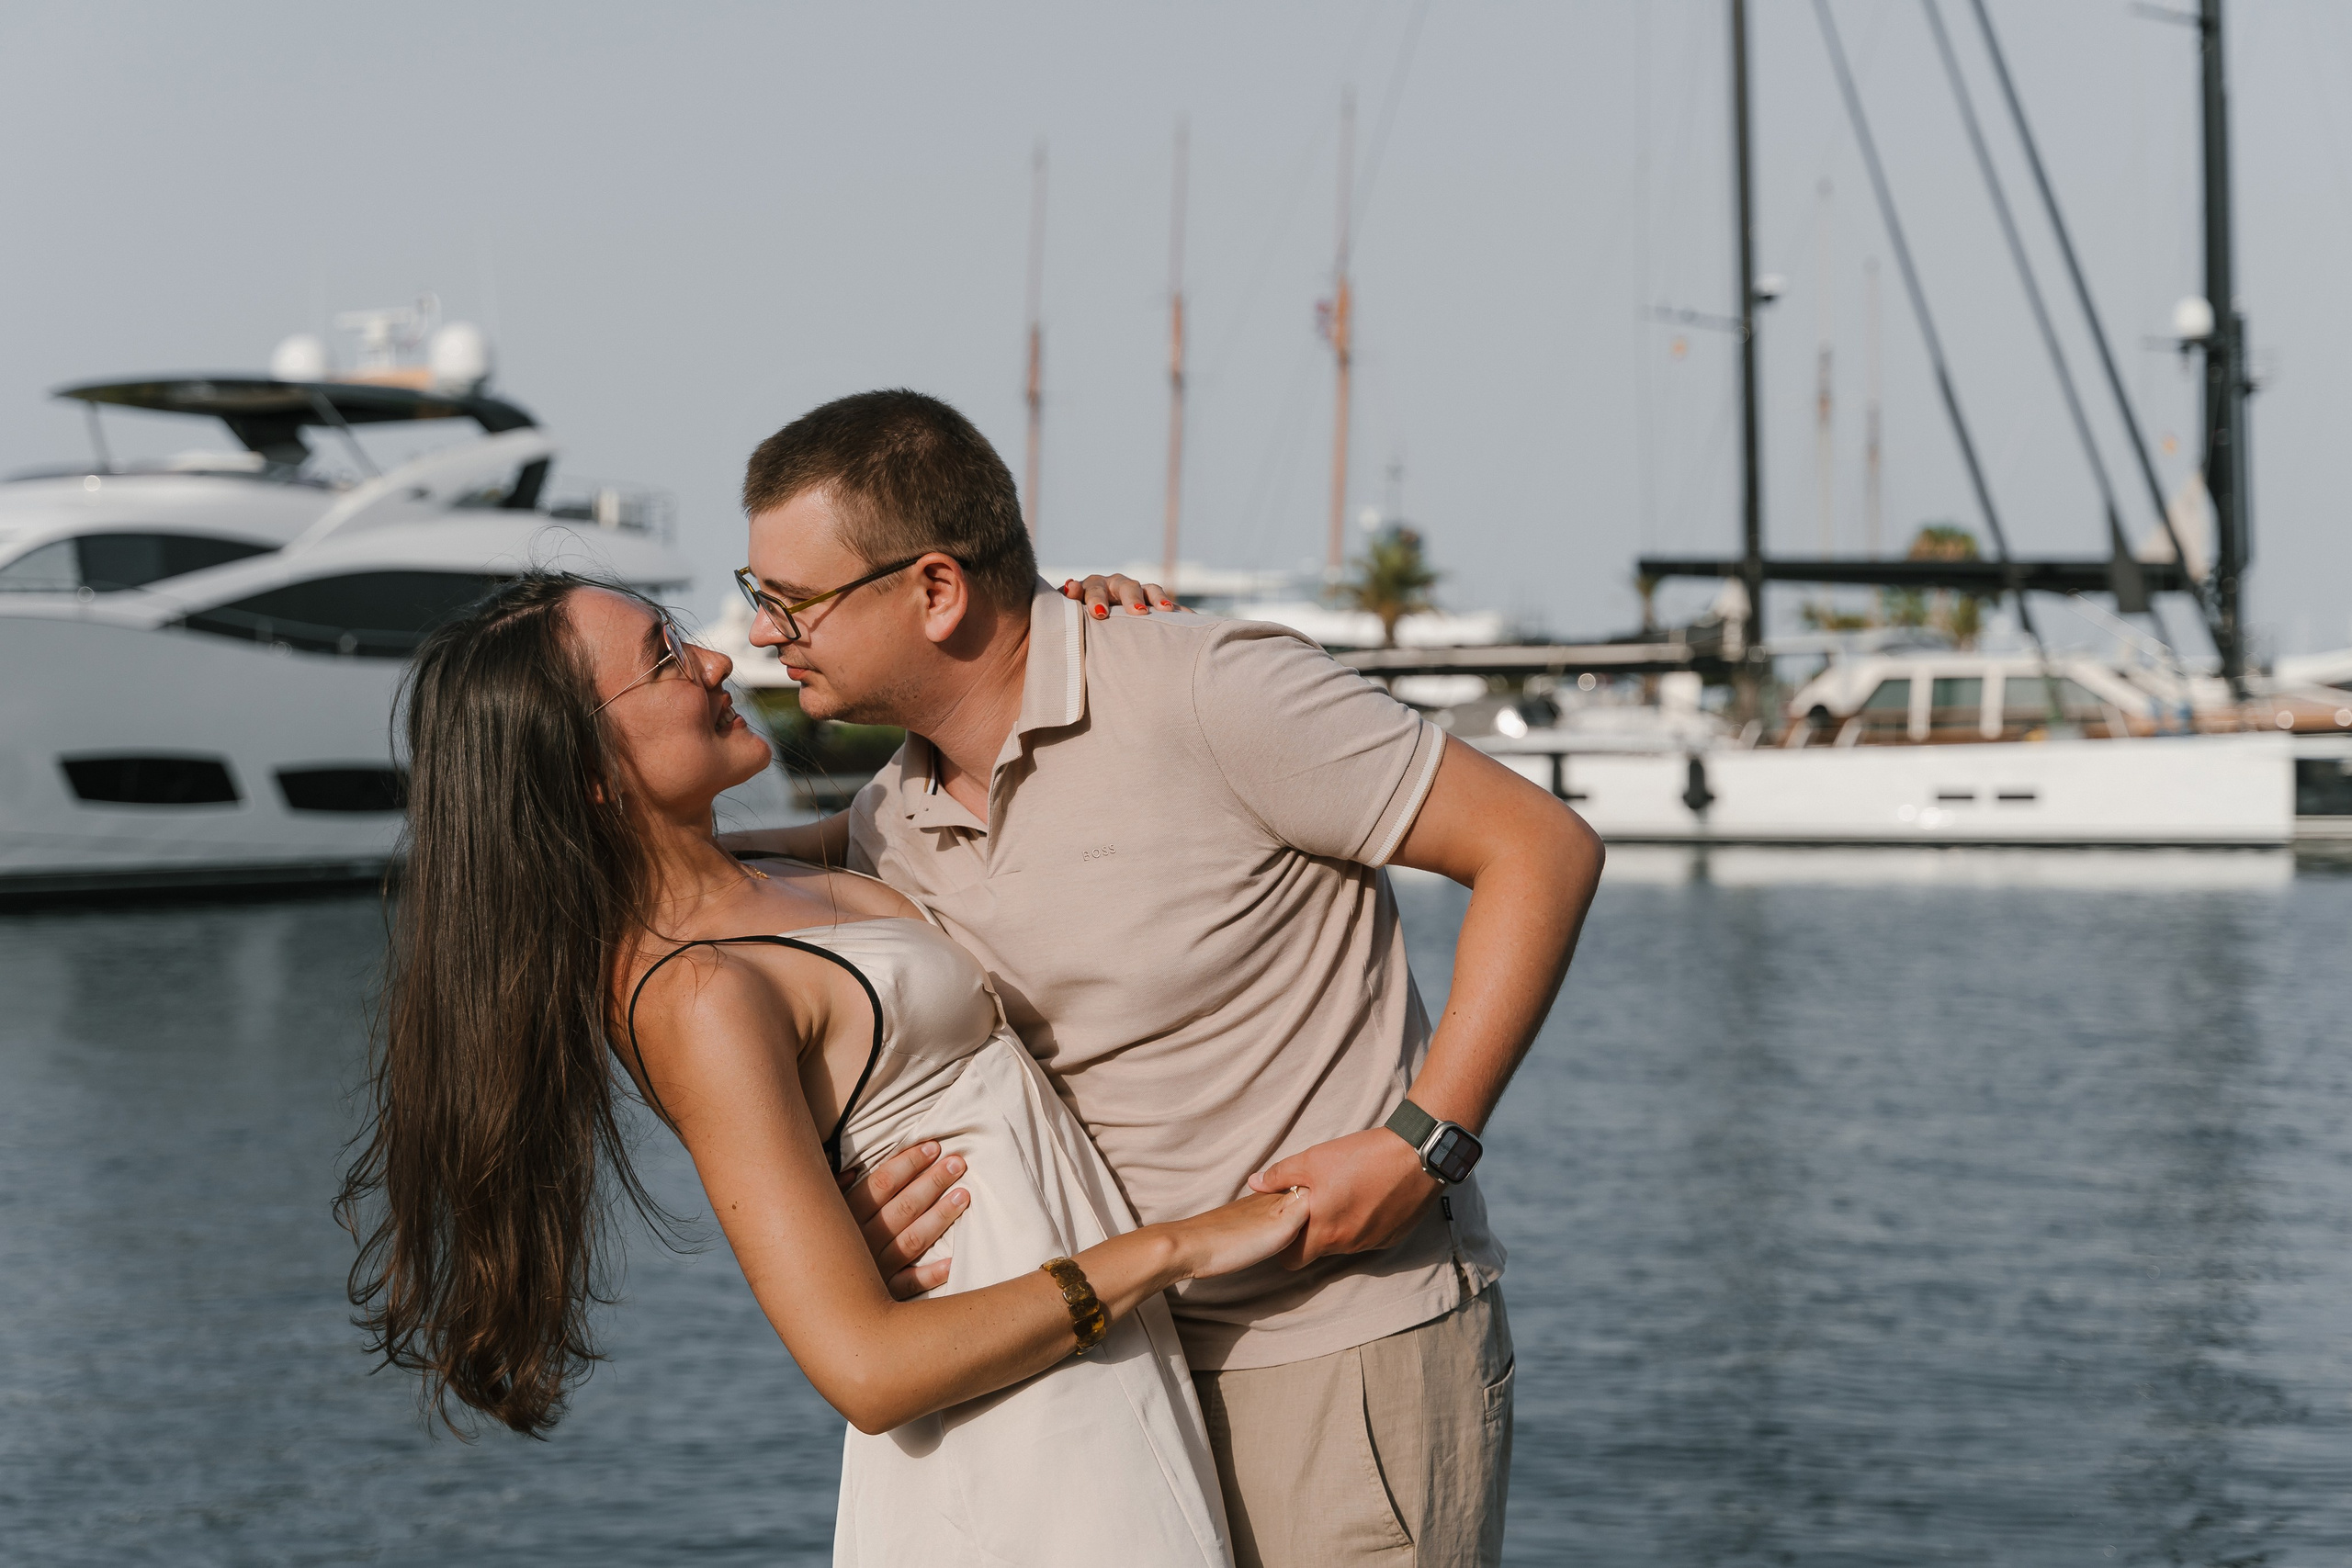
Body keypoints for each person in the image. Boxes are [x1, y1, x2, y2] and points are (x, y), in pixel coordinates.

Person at [726, 389, 1604, 1567]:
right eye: (759, 600)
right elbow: (746, 888)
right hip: (1091, 1384)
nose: (766, 635)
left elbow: (1539, 847)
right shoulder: (896, 811)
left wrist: (1422, 1143)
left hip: (1332, 1355)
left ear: (935, 589)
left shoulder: (1205, 688)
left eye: (790, 602)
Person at [336, 571, 1310, 1566]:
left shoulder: (768, 875)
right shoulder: (696, 995)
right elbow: (867, 1372)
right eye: (664, 662)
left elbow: (969, 787)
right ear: (587, 770)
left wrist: (1063, 630)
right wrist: (1178, 1248)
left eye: (678, 637)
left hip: (1079, 1369)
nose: (716, 660)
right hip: (1022, 1437)